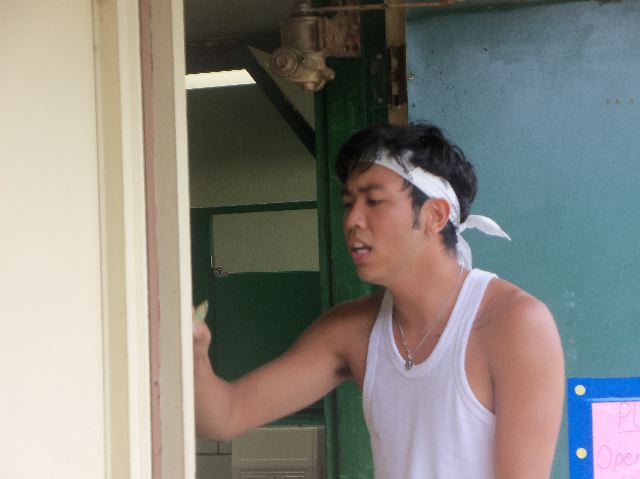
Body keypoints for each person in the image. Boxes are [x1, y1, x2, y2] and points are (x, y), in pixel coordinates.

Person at [193, 124, 565, 478]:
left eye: (374, 201)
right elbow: (225, 417)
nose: (352, 220)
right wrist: (194, 356)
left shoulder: (513, 323)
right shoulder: (350, 330)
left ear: (434, 216)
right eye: (348, 203)